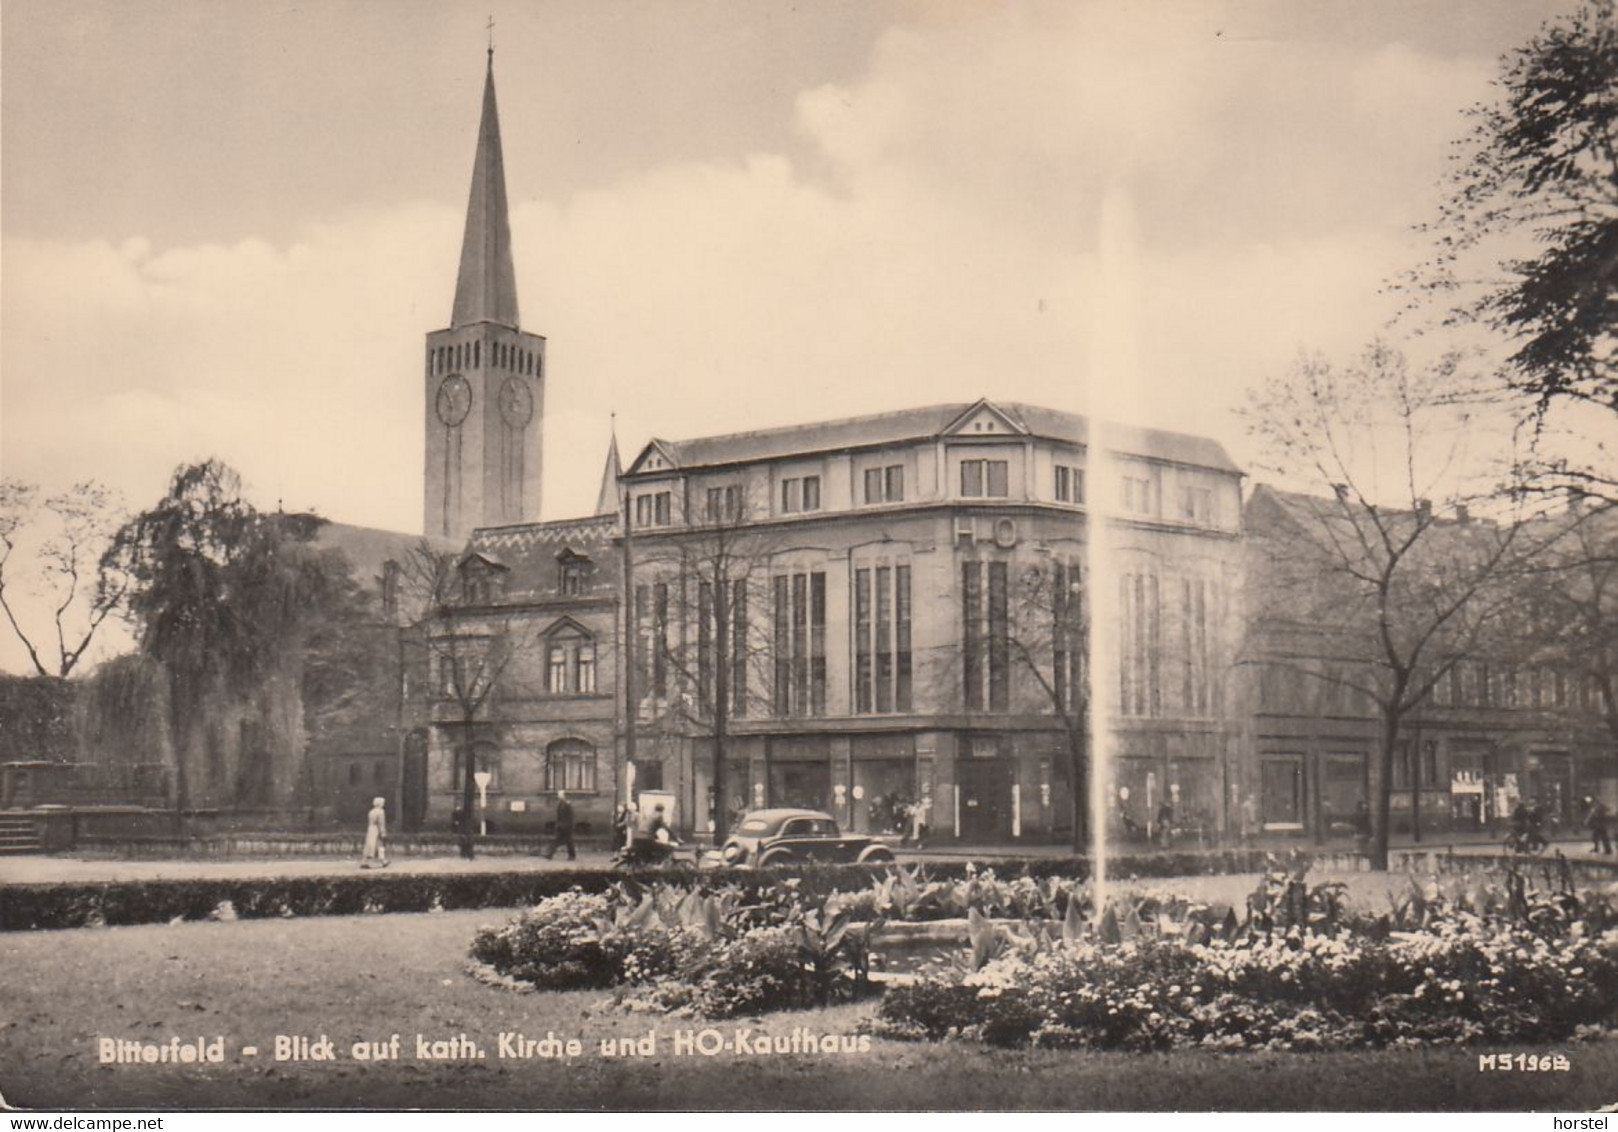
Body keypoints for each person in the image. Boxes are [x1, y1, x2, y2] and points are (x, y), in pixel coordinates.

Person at [544, 790, 576, 860]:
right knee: (556, 840)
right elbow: (559, 816)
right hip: (560, 826)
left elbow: (571, 817)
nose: (558, 796)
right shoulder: (560, 804)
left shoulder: (567, 805)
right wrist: (558, 824)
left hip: (567, 827)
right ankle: (549, 854)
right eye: (559, 795)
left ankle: (572, 855)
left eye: (560, 795)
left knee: (569, 841)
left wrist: (569, 826)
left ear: (564, 796)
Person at [361, 797, 388, 869]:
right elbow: (381, 822)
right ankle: (381, 861)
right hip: (376, 829)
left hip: (370, 829)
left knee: (370, 846)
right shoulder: (381, 811)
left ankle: (382, 861)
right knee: (378, 845)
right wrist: (383, 832)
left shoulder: (371, 811)